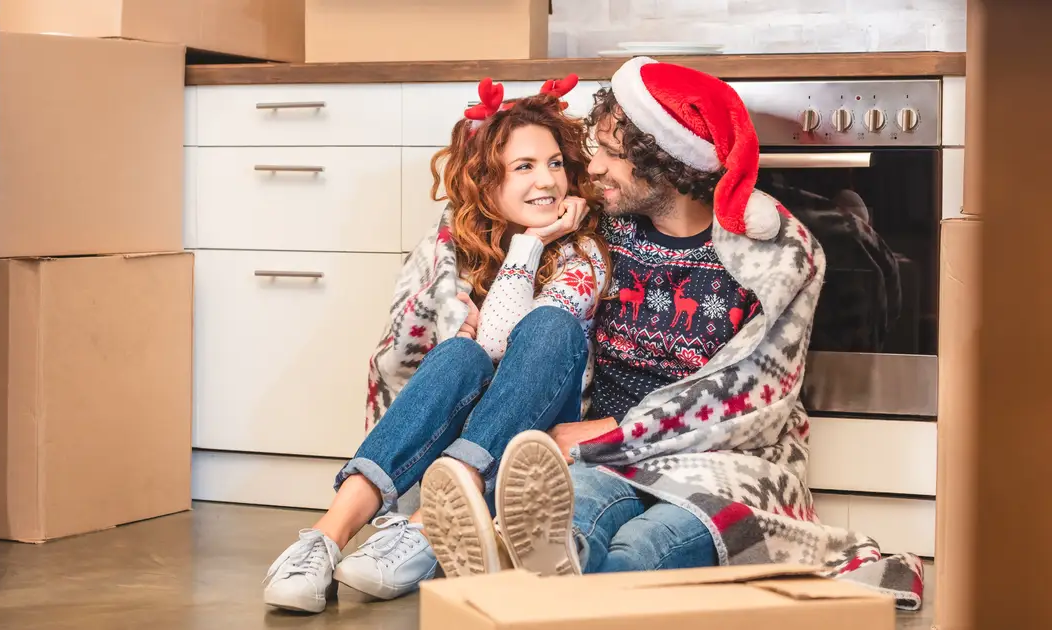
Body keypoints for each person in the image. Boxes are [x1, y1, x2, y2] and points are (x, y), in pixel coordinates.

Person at [419, 58, 926, 611]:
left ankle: (517, 582)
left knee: (645, 546)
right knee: (567, 524)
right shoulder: (599, 229)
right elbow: (478, 216)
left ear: (669, 163)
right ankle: (535, 573)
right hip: (601, 460)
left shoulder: (775, 254)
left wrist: (614, 429)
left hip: (717, 463)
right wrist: (463, 302)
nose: (595, 166)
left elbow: (754, 393)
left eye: (613, 154)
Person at [263, 75, 611, 614]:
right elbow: (423, 351)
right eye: (524, 167)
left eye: (554, 163)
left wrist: (531, 244)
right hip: (467, 430)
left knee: (548, 328)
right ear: (486, 182)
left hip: (535, 442)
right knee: (458, 355)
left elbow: (500, 337)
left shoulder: (581, 253)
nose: (548, 181)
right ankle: (325, 538)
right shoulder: (453, 244)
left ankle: (432, 521)